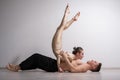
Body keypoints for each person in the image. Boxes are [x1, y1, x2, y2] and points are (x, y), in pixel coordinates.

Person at [52, 4, 84, 72]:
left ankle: (69, 15)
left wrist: (59, 67)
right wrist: (59, 68)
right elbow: (59, 57)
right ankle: (68, 14)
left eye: (82, 54)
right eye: (82, 54)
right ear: (77, 54)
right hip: (57, 47)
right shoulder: (71, 57)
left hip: (57, 47)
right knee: (61, 28)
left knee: (61, 28)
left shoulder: (72, 58)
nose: (83, 56)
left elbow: (59, 57)